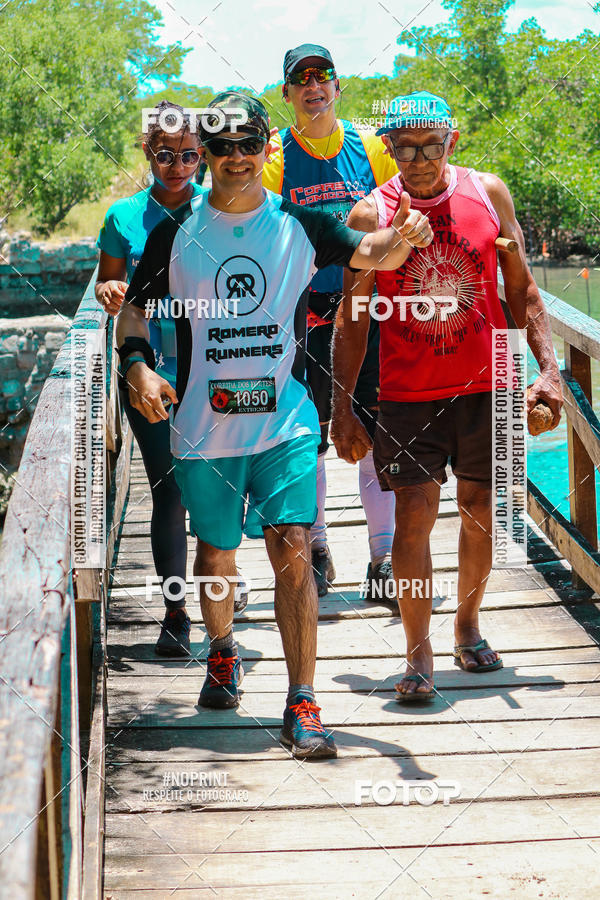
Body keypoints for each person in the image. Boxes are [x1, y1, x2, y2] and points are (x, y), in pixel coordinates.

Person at [116, 91, 433, 757]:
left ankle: (302, 699)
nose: (236, 156)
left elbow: (371, 252)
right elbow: (134, 312)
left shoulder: (302, 223)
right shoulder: (176, 234)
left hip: (285, 420)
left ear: (267, 148)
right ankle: (224, 648)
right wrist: (139, 368)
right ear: (204, 153)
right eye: (222, 145)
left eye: (247, 143)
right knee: (216, 555)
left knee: (291, 542)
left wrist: (403, 237)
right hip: (204, 427)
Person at [331, 91, 562, 701]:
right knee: (413, 519)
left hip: (489, 382)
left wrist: (549, 371)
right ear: (388, 149)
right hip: (407, 393)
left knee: (481, 514)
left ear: (450, 143)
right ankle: (417, 651)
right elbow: (352, 317)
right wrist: (343, 407)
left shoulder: (489, 194)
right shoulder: (369, 215)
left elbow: (524, 291)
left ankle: (466, 623)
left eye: (431, 146)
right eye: (405, 148)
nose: (419, 159)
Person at [96, 100, 246, 659]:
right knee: (168, 488)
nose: (179, 167)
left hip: (217, 369)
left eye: (189, 155)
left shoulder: (226, 209)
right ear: (146, 152)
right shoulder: (123, 217)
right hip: (148, 371)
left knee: (223, 480)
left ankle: (223, 581)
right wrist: (110, 293)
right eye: (166, 156)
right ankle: (177, 611)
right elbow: (110, 286)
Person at [263, 44, 399, 600]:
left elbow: (405, 216)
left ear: (337, 87)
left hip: (369, 314)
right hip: (305, 316)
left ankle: (385, 558)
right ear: (288, 93)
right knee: (310, 439)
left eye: (323, 76)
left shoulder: (370, 149)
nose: (314, 85)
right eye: (302, 79)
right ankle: (318, 546)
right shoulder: (274, 157)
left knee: (375, 437)